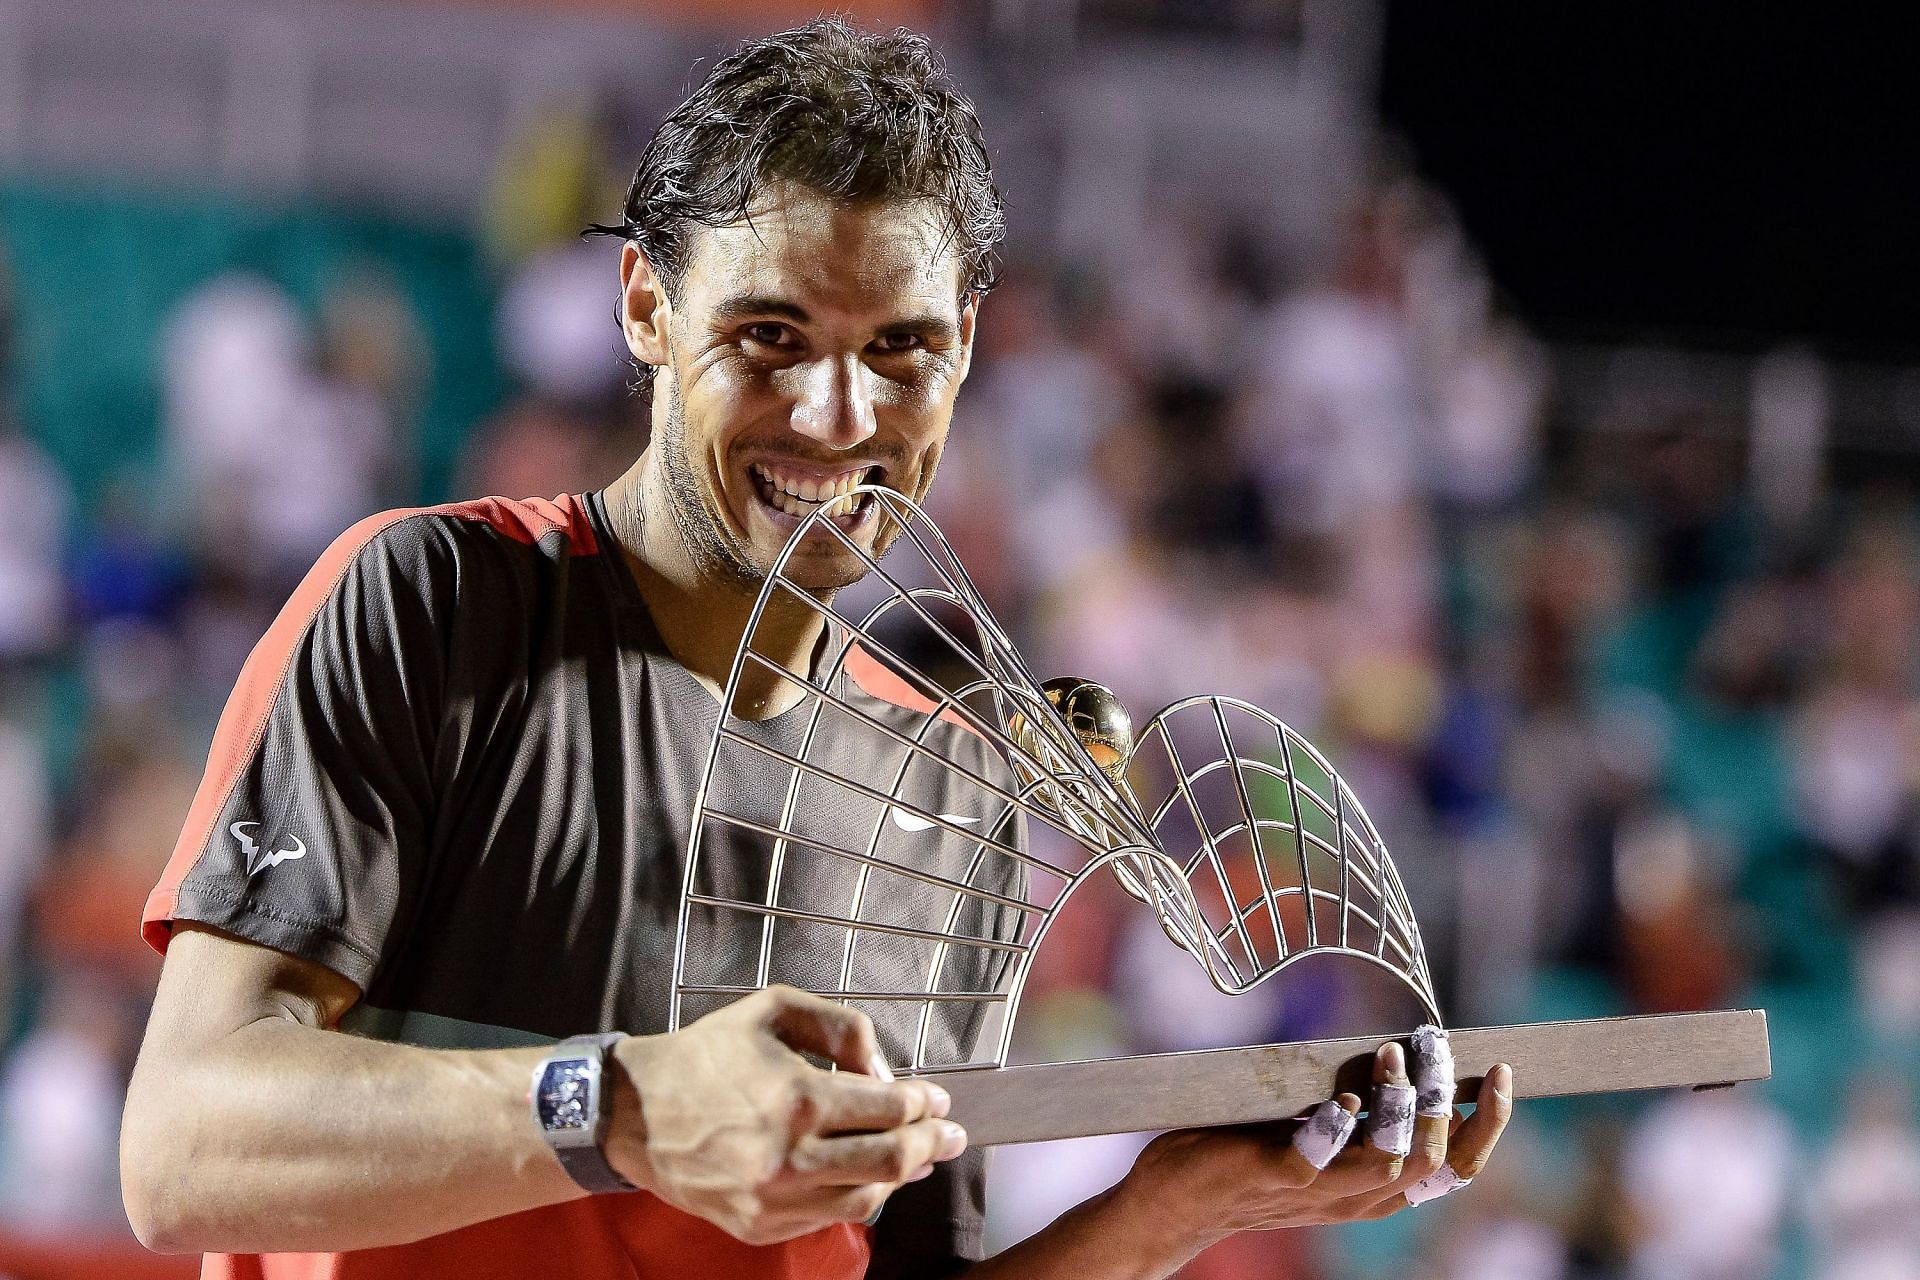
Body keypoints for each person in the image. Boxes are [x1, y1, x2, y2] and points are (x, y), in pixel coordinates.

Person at [119, 19, 1512, 1279]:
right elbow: (183, 1148)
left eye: (900, 350)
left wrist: (1179, 1207)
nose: (838, 415)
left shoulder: (954, 790)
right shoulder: (430, 604)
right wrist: (627, 1104)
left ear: (966, 351)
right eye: (770, 336)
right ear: (646, 308)